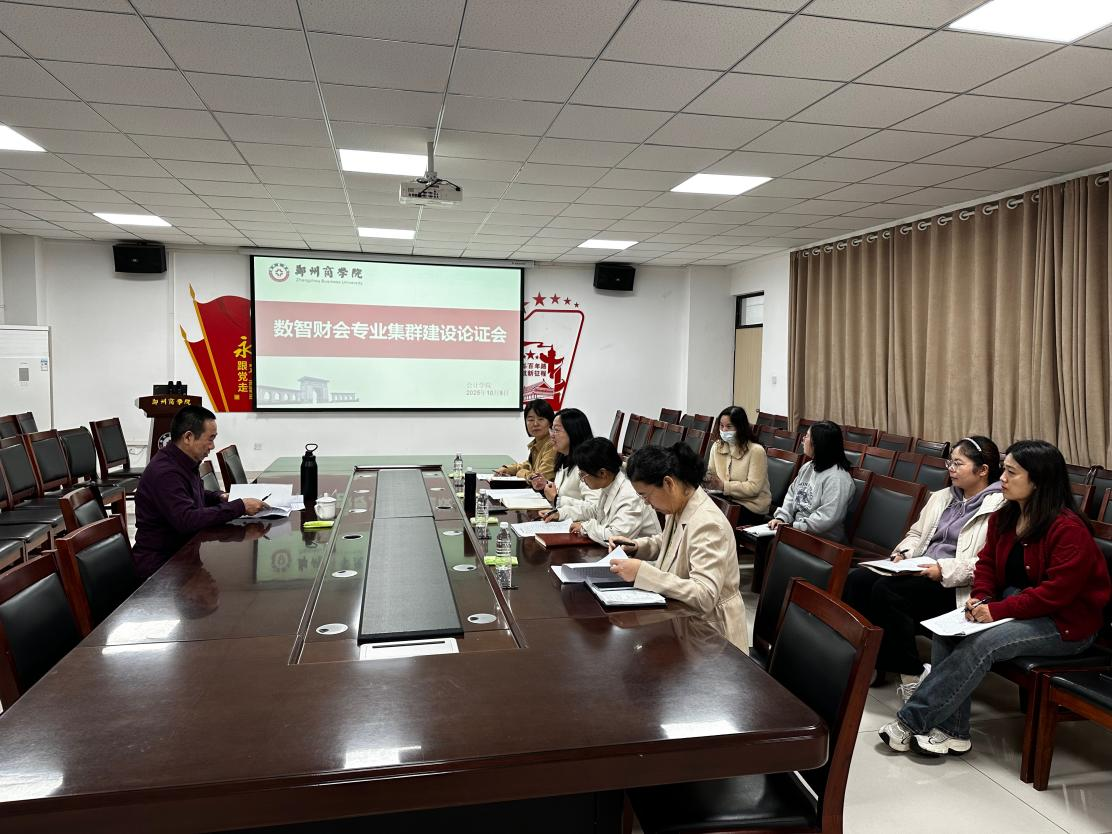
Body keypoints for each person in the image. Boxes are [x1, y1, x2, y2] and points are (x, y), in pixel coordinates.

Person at [880, 440, 1111, 757]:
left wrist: (997, 610)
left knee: (982, 644)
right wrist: (980, 598)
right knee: (947, 632)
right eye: (1005, 470)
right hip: (1019, 606)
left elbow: (1056, 593)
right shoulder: (1006, 516)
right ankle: (954, 732)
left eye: (1011, 473)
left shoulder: (1067, 528)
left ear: (1038, 481)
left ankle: (910, 722)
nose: (1002, 478)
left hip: (1064, 623)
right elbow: (986, 564)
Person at [843, 436, 1005, 696]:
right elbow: (917, 534)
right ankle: (869, 659)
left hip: (955, 584)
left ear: (983, 470)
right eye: (950, 462)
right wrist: (903, 553)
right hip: (922, 568)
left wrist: (943, 570)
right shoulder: (942, 497)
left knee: (888, 591)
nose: (951, 469)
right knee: (858, 580)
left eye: (958, 464)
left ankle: (912, 673)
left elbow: (988, 564)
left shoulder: (999, 506)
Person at [608, 443, 749, 654]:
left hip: (712, 635)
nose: (646, 503)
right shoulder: (678, 506)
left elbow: (704, 595)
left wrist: (643, 573)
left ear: (668, 483)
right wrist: (635, 547)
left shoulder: (708, 523)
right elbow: (670, 543)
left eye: (645, 495)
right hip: (683, 618)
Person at [132, 405, 266, 579]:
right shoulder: (166, 472)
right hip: (161, 567)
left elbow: (193, 494)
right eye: (210, 439)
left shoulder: (183, 461)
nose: (212, 446)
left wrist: (219, 497)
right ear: (188, 437)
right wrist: (240, 506)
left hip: (184, 555)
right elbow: (187, 519)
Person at [558, 437, 660, 544]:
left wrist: (585, 527)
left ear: (602, 473)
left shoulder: (630, 494)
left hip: (641, 553)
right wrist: (561, 513)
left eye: (583, 474)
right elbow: (596, 512)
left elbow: (616, 537)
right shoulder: (610, 483)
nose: (581, 479)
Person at [768, 420, 855, 542]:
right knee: (765, 538)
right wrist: (782, 519)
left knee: (771, 542)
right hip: (798, 528)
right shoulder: (808, 467)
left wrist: (793, 527)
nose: (803, 439)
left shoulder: (838, 478)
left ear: (818, 443)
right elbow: (791, 495)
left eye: (807, 436)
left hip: (822, 539)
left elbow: (826, 518)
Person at [704, 406, 771, 523]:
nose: (724, 430)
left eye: (729, 426)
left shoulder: (756, 451)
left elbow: (754, 488)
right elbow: (712, 474)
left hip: (751, 506)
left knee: (712, 521)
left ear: (740, 427)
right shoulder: (717, 446)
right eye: (721, 426)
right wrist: (707, 481)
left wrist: (724, 486)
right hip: (725, 500)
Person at [535, 408, 598, 519]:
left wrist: (557, 499)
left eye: (556, 430)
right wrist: (546, 485)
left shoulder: (588, 465)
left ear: (574, 432)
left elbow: (594, 509)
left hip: (580, 526)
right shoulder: (564, 458)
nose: (552, 435)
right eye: (552, 430)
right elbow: (568, 492)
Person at [495, 400, 556, 481]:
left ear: (551, 422)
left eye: (540, 419)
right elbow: (528, 465)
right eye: (531, 420)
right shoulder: (537, 443)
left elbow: (540, 478)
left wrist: (522, 473)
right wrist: (507, 469)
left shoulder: (553, 444)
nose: (535, 424)